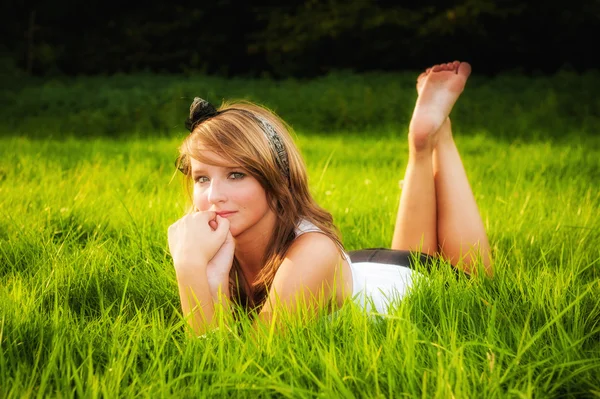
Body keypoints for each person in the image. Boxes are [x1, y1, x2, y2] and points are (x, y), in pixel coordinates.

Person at [168, 61, 492, 336]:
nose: (213, 196)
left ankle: (438, 136)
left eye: (236, 175)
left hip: (413, 279)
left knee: (479, 284)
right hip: (370, 268)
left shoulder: (311, 253)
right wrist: (212, 277)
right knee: (410, 253)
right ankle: (423, 145)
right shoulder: (218, 243)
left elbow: (241, 364)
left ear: (277, 177)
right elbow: (220, 343)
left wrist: (189, 267)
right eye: (202, 178)